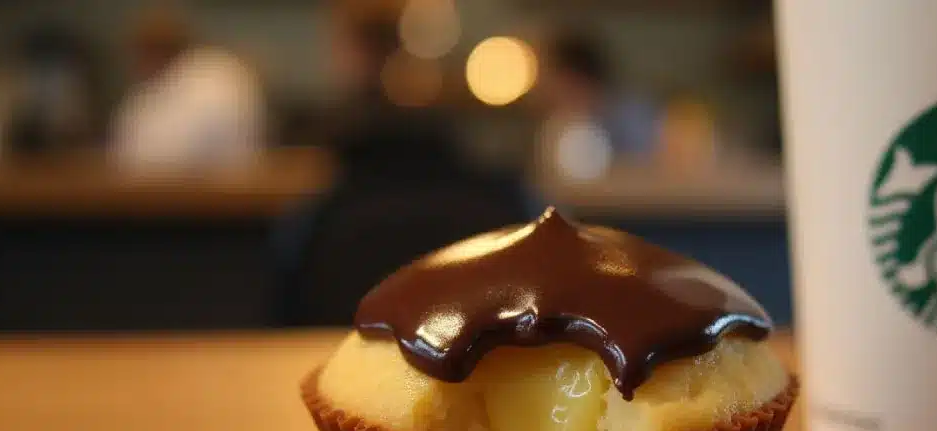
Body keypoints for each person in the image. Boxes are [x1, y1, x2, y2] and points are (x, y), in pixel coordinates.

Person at [271, 1, 536, 326]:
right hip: (464, 333)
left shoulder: (327, 134)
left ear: (353, 48)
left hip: (332, 328)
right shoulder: (464, 123)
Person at [110, 6, 265, 169]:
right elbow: (125, 156)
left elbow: (171, 154)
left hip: (218, 188)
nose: (136, 63)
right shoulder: (141, 94)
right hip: (148, 188)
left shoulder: (217, 78)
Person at [533, 27, 659, 169]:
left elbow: (649, 170)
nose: (546, 90)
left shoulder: (631, 115)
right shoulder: (560, 124)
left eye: (552, 80)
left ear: (573, 79)